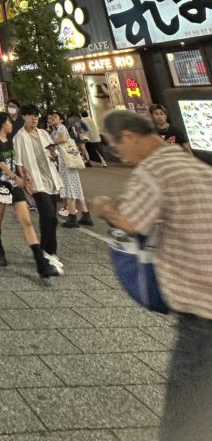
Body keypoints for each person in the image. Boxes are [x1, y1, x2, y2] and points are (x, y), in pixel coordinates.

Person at [92, 109, 212, 441]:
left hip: (202, 309)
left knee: (186, 412)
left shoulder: (152, 171)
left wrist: (105, 208)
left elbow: (131, 222)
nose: (120, 155)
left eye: (117, 148)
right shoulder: (190, 163)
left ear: (129, 136)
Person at [0, 110, 59, 279]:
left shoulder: (12, 140)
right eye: (9, 122)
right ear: (3, 124)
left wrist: (23, 175)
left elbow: (17, 161)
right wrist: (15, 177)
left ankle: (41, 263)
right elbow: (1, 164)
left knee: (26, 221)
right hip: (0, 184)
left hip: (15, 184)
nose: (12, 124)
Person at [14, 105, 65, 274]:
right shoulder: (19, 137)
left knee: (50, 218)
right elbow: (19, 161)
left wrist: (54, 154)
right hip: (35, 181)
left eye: (36, 116)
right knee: (49, 216)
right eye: (30, 116)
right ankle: (49, 252)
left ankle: (47, 250)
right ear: (24, 117)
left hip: (50, 179)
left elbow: (54, 154)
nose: (34, 119)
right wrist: (24, 180)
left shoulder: (44, 134)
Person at [48, 109, 93, 227]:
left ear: (61, 120)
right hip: (66, 161)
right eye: (52, 116)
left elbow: (63, 139)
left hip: (67, 162)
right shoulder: (54, 130)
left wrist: (51, 143)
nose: (53, 118)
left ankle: (72, 217)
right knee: (76, 187)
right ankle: (86, 215)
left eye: (55, 116)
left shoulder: (61, 127)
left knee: (69, 188)